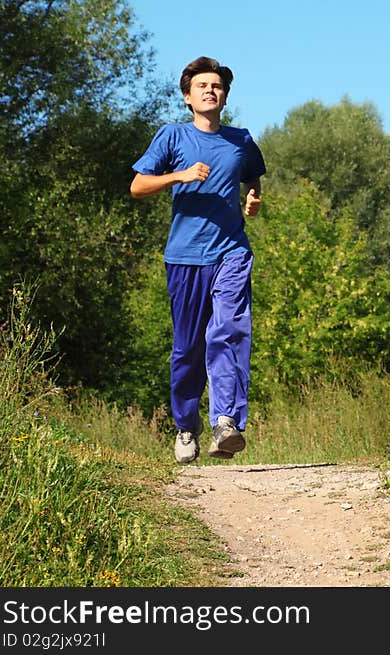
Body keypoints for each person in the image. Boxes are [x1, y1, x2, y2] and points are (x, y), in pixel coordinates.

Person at [130, 56, 266, 464]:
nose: (211, 90)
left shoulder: (240, 140)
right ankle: (186, 427)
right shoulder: (172, 137)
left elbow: (253, 174)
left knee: (228, 331)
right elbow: (138, 186)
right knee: (188, 347)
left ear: (224, 96)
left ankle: (227, 422)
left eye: (218, 86)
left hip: (231, 250)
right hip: (185, 256)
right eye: (202, 86)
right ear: (188, 97)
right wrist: (179, 176)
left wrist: (253, 196)